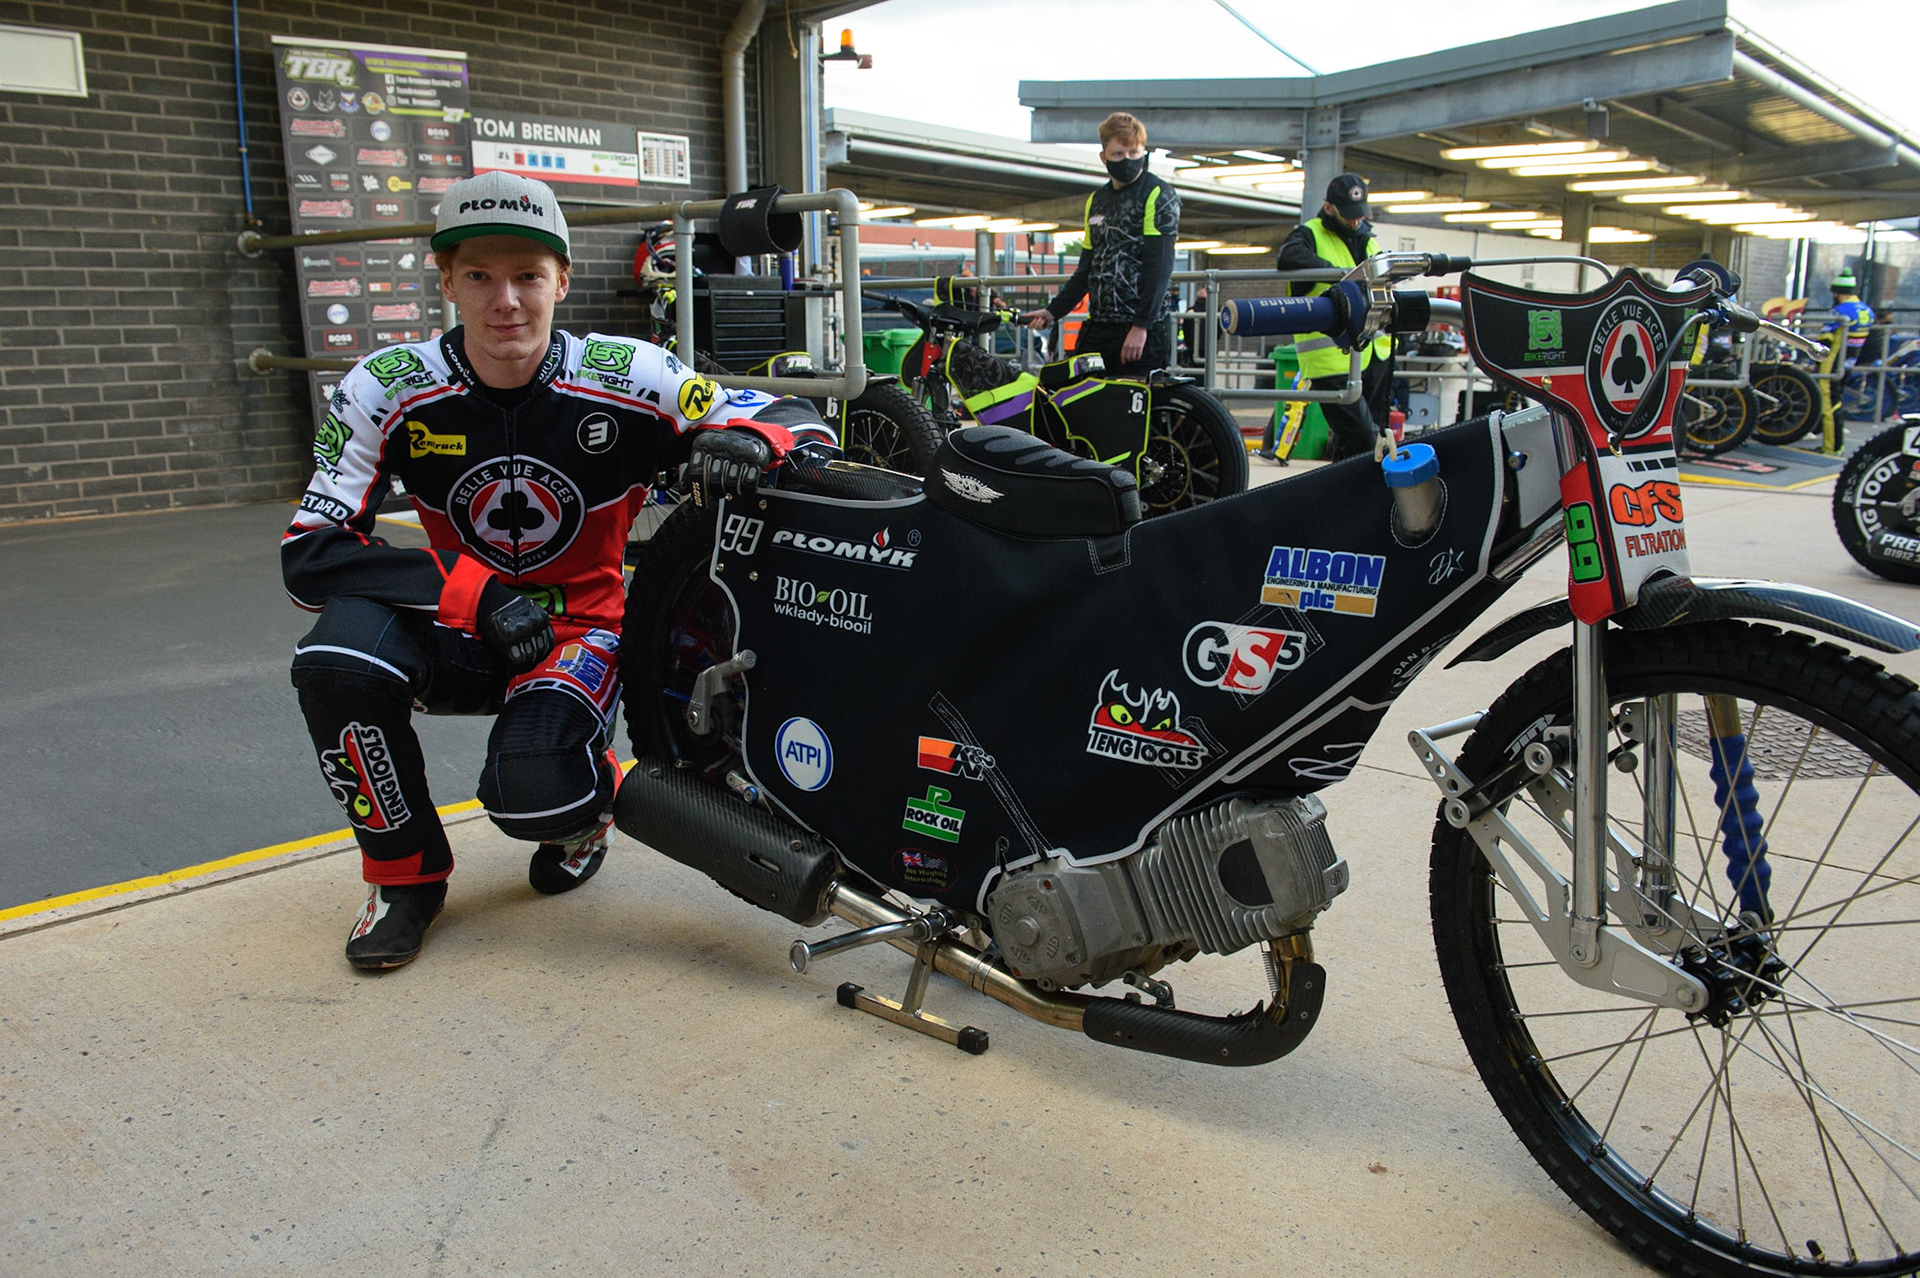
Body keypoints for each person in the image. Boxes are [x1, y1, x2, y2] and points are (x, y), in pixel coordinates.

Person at [282, 171, 833, 971]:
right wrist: (475, 595)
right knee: (335, 663)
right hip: (462, 624)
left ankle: (583, 806)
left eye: (527, 277)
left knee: (537, 798)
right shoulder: (385, 386)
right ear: (447, 282)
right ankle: (405, 878)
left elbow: (786, 416)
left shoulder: (630, 372)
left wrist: (752, 443)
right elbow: (310, 552)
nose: (505, 300)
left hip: (576, 633)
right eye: (479, 276)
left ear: (561, 281)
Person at [1020, 111, 1181, 378]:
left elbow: (1159, 267)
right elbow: (1086, 270)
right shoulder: (1096, 200)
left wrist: (1141, 326)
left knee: (1135, 408)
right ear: (1103, 157)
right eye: (1118, 154)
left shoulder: (1158, 194)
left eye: (1134, 153)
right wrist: (1053, 311)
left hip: (1141, 329)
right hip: (1100, 324)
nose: (1127, 161)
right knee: (1075, 398)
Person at [1272, 174, 1395, 461]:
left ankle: (1349, 500)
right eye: (1349, 216)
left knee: (1370, 439)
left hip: (1374, 352)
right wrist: (1341, 276)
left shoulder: (1368, 238)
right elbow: (1288, 258)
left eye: (1359, 215)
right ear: (1329, 208)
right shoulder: (1308, 235)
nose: (1355, 222)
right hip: (1331, 356)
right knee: (1361, 437)